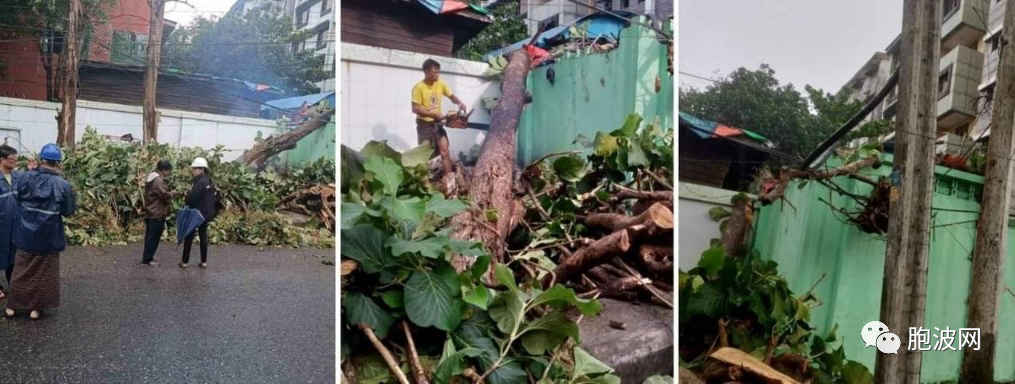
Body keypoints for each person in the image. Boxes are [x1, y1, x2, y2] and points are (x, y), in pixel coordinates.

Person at [4, 144, 75, 320]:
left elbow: (18, 197)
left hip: (25, 234)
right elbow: (68, 211)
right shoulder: (63, 185)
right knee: (44, 275)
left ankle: (12, 306)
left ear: (42, 159)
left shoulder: (25, 177)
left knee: (20, 271)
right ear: (58, 162)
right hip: (49, 237)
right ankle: (36, 310)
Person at [411, 58, 467, 176]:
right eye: (434, 72)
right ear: (426, 71)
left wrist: (459, 103)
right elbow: (415, 108)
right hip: (424, 125)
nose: (437, 75)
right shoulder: (418, 87)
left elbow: (451, 95)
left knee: (445, 152)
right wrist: (433, 114)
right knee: (424, 155)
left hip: (438, 124)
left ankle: (449, 179)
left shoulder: (440, 83)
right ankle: (424, 183)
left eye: (438, 72)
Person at [181, 157, 216, 269]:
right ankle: (204, 261)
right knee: (203, 237)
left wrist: (186, 197)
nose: (193, 171)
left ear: (200, 169)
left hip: (196, 213)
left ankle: (185, 262)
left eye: (194, 169)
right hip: (205, 214)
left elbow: (193, 198)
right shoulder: (209, 181)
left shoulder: (200, 182)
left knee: (189, 237)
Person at [141, 160, 173, 266]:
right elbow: (165, 196)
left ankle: (147, 256)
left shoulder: (151, 178)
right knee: (154, 237)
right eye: (168, 171)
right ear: (164, 170)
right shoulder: (158, 181)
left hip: (151, 211)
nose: (169, 173)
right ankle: (148, 259)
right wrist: (173, 193)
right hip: (157, 212)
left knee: (150, 236)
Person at [0, 145, 20, 301]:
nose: (15, 161)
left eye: (16, 159)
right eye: (12, 159)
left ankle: (13, 286)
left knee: (13, 257)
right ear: (2, 160)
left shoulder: (17, 176)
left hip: (15, 225)